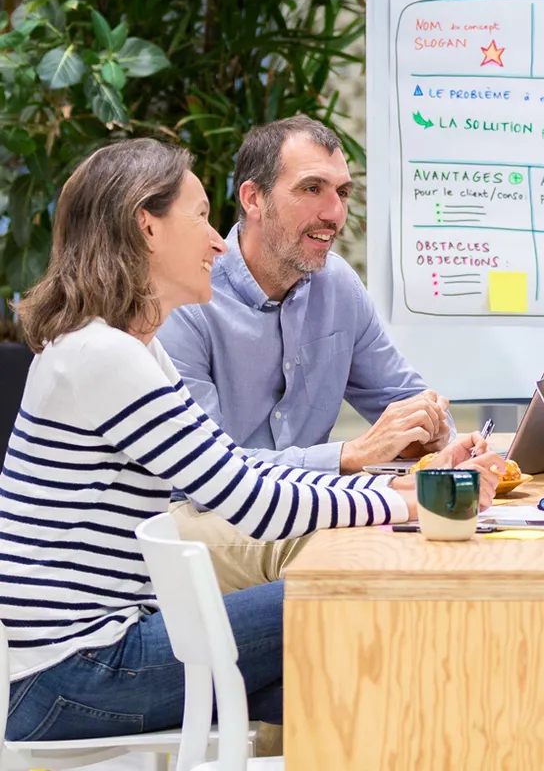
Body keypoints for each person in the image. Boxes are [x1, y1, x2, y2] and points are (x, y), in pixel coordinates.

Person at [1, 139, 504, 743]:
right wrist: (412, 500)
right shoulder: (104, 356)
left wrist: (402, 481)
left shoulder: (122, 347)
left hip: (92, 658)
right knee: (352, 595)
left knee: (363, 676)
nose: (217, 240)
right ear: (147, 226)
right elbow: (248, 502)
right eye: (199, 217)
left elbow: (234, 465)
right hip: (74, 676)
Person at [159, 116, 451, 592]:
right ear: (253, 199)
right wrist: (350, 457)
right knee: (357, 540)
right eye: (312, 189)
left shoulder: (337, 286)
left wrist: (436, 437)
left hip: (303, 500)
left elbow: (406, 396)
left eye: (342, 192)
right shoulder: (188, 300)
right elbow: (209, 480)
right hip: (199, 514)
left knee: (417, 524)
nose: (334, 213)